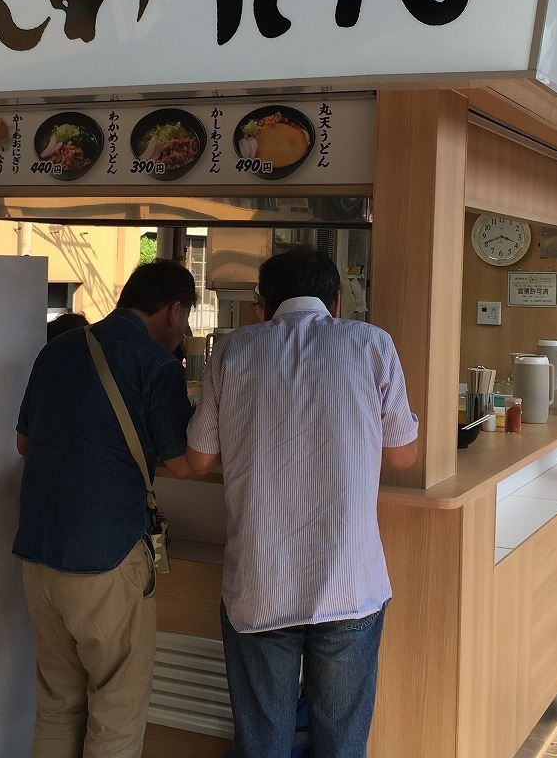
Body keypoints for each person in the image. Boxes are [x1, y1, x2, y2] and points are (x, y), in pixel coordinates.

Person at [185, 246, 419, 758]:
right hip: (348, 581)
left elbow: (199, 460)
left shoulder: (230, 351)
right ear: (336, 300)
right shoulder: (372, 345)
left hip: (260, 581)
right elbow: (404, 456)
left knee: (262, 740)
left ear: (263, 305)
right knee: (340, 742)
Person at [14, 259, 197, 758]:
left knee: (57, 701)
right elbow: (184, 466)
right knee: (116, 708)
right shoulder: (158, 365)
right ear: (174, 310)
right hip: (107, 556)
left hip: (38, 552)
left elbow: (24, 443)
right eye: (185, 319)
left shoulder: (58, 350)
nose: (182, 331)